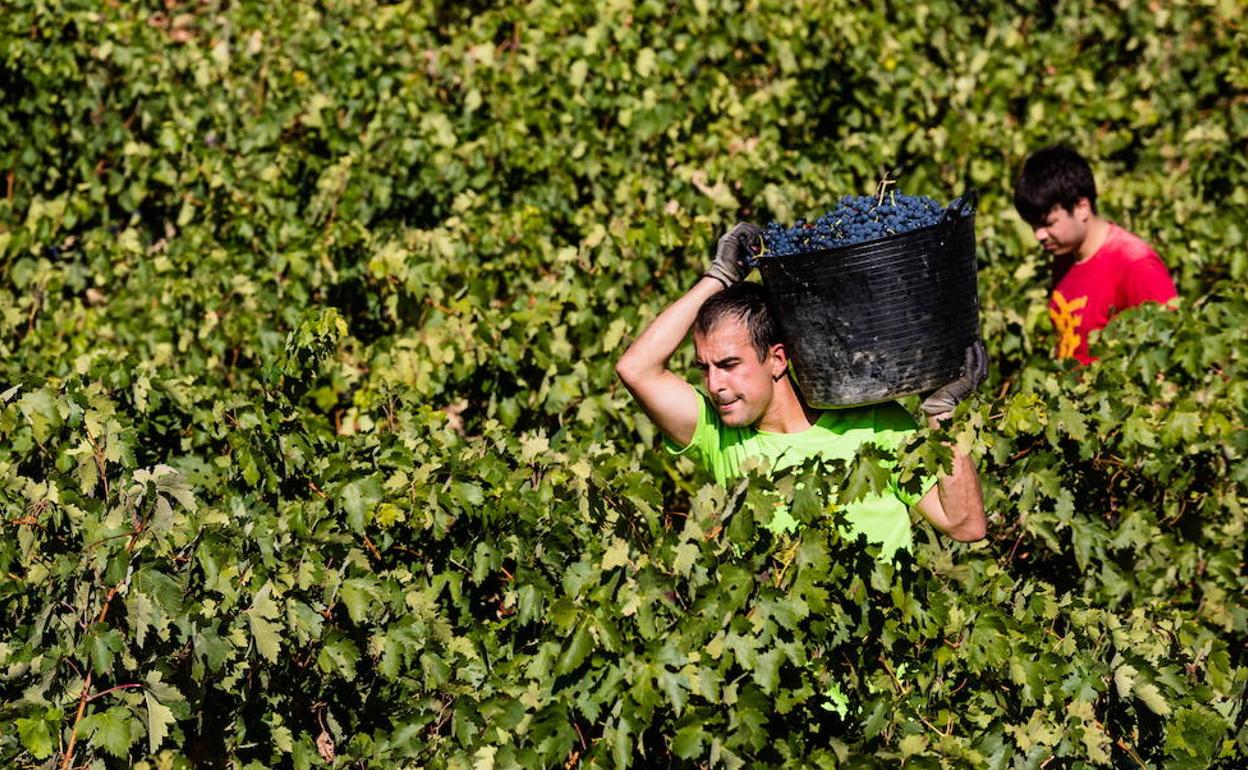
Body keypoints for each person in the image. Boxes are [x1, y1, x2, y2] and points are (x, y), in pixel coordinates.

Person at [614, 223, 988, 558]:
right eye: (705, 369)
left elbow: (965, 525)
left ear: (776, 360)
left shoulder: (876, 423)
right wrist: (719, 276)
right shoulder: (721, 436)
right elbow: (636, 369)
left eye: (729, 365)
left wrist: (942, 414)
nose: (714, 385)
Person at [1013, 146, 1178, 364]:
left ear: (1082, 207)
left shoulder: (1136, 265)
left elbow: (1170, 350)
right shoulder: (1064, 256)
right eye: (1033, 225)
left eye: (1048, 223)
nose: (1039, 235)